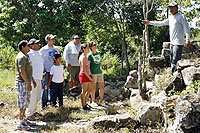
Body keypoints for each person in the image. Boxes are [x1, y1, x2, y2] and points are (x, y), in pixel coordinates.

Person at [142, 1, 190, 75]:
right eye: (170, 8)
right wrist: (149, 23)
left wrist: (188, 40)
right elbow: (161, 23)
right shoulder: (171, 18)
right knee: (172, 60)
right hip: (172, 43)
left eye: (172, 7)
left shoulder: (181, 16)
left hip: (178, 42)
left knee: (175, 60)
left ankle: (175, 76)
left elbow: (186, 29)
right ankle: (175, 75)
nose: (171, 9)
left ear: (176, 8)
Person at [15, 40, 36, 131]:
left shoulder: (26, 56)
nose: (29, 47)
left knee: (26, 102)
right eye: (27, 46)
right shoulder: (21, 57)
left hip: (26, 82)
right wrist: (28, 83)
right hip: (22, 83)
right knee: (22, 103)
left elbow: (28, 70)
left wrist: (32, 80)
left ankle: (23, 119)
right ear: (23, 47)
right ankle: (20, 123)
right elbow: (22, 71)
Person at [39, 34, 59, 109]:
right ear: (48, 40)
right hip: (47, 71)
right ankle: (44, 104)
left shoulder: (56, 49)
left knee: (53, 87)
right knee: (45, 87)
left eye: (54, 39)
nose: (54, 40)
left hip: (54, 71)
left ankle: (52, 102)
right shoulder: (43, 50)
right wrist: (42, 71)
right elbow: (40, 61)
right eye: (52, 39)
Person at [26, 38, 44, 120]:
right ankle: (29, 114)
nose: (38, 45)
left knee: (37, 96)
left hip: (39, 77)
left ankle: (33, 111)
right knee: (32, 96)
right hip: (33, 78)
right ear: (32, 45)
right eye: (36, 43)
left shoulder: (38, 53)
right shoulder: (29, 54)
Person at [88, 42, 105, 106]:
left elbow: (100, 62)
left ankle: (101, 100)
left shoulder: (98, 53)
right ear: (91, 47)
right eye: (94, 45)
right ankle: (93, 101)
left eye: (96, 44)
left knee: (102, 87)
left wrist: (101, 69)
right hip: (93, 73)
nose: (96, 46)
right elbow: (88, 65)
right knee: (93, 87)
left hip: (99, 72)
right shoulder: (89, 55)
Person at [78, 43, 93, 110]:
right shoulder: (83, 57)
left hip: (88, 74)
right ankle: (83, 105)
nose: (88, 49)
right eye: (87, 48)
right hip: (84, 75)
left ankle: (85, 102)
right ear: (84, 49)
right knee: (84, 91)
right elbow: (84, 69)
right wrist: (89, 77)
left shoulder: (87, 56)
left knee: (89, 90)